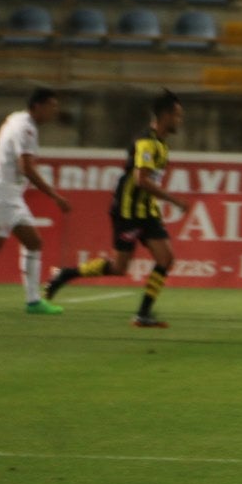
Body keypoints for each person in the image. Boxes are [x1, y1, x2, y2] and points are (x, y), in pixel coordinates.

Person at [43, 91, 189, 326]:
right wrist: (174, 200)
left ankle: (143, 313)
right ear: (165, 115)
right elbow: (141, 180)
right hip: (128, 212)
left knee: (166, 258)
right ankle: (66, 274)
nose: (179, 121)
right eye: (177, 116)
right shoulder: (147, 143)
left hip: (147, 212)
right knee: (119, 267)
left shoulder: (160, 144)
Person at [0, 89, 71, 317]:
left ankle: (33, 301)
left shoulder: (14, 119)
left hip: (8, 195)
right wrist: (55, 196)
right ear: (38, 106)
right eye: (52, 106)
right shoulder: (26, 128)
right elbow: (26, 167)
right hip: (2, 197)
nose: (54, 111)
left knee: (33, 242)